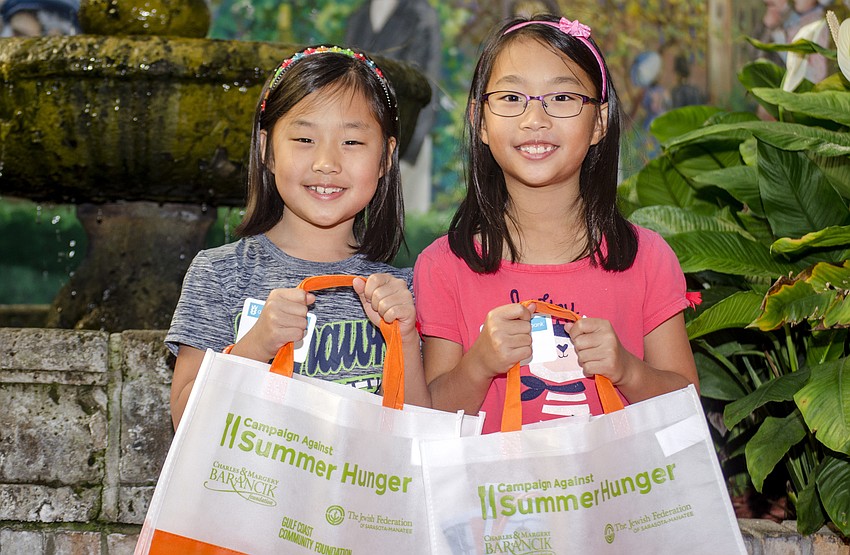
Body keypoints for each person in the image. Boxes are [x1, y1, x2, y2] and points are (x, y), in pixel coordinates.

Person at [413, 15, 699, 434]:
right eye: (511, 97)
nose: (535, 118)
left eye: (562, 97)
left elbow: (688, 409)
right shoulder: (444, 266)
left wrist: (628, 370)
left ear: (599, 122)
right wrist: (479, 365)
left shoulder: (647, 258)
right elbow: (427, 423)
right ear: (480, 120)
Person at [167, 45, 431, 428]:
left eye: (352, 142)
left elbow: (421, 433)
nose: (326, 163)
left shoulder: (403, 292)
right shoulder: (219, 274)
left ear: (386, 158)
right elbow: (184, 418)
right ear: (267, 150)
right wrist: (255, 346)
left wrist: (404, 336)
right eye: (304, 140)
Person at [345, 0, 441, 213]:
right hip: (362, 135)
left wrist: (413, 142)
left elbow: (429, 79)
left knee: (406, 215)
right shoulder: (359, 16)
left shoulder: (421, 14)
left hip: (409, 130)